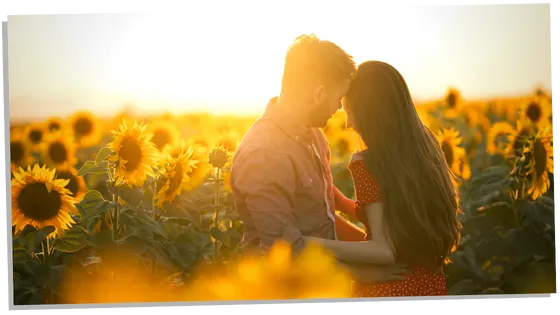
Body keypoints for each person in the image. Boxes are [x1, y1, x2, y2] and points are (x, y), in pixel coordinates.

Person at [230, 34, 408, 284]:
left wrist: (377, 249)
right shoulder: (264, 155)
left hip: (327, 282)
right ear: (319, 93)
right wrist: (366, 274)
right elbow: (283, 252)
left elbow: (325, 221)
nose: (339, 108)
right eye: (339, 98)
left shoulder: (314, 136)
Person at [303, 61, 462, 297]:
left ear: (369, 111)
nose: (348, 125)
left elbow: (383, 250)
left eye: (349, 111)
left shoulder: (366, 163)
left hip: (389, 289)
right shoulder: (426, 148)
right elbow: (398, 213)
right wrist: (341, 202)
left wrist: (308, 244)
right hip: (428, 285)